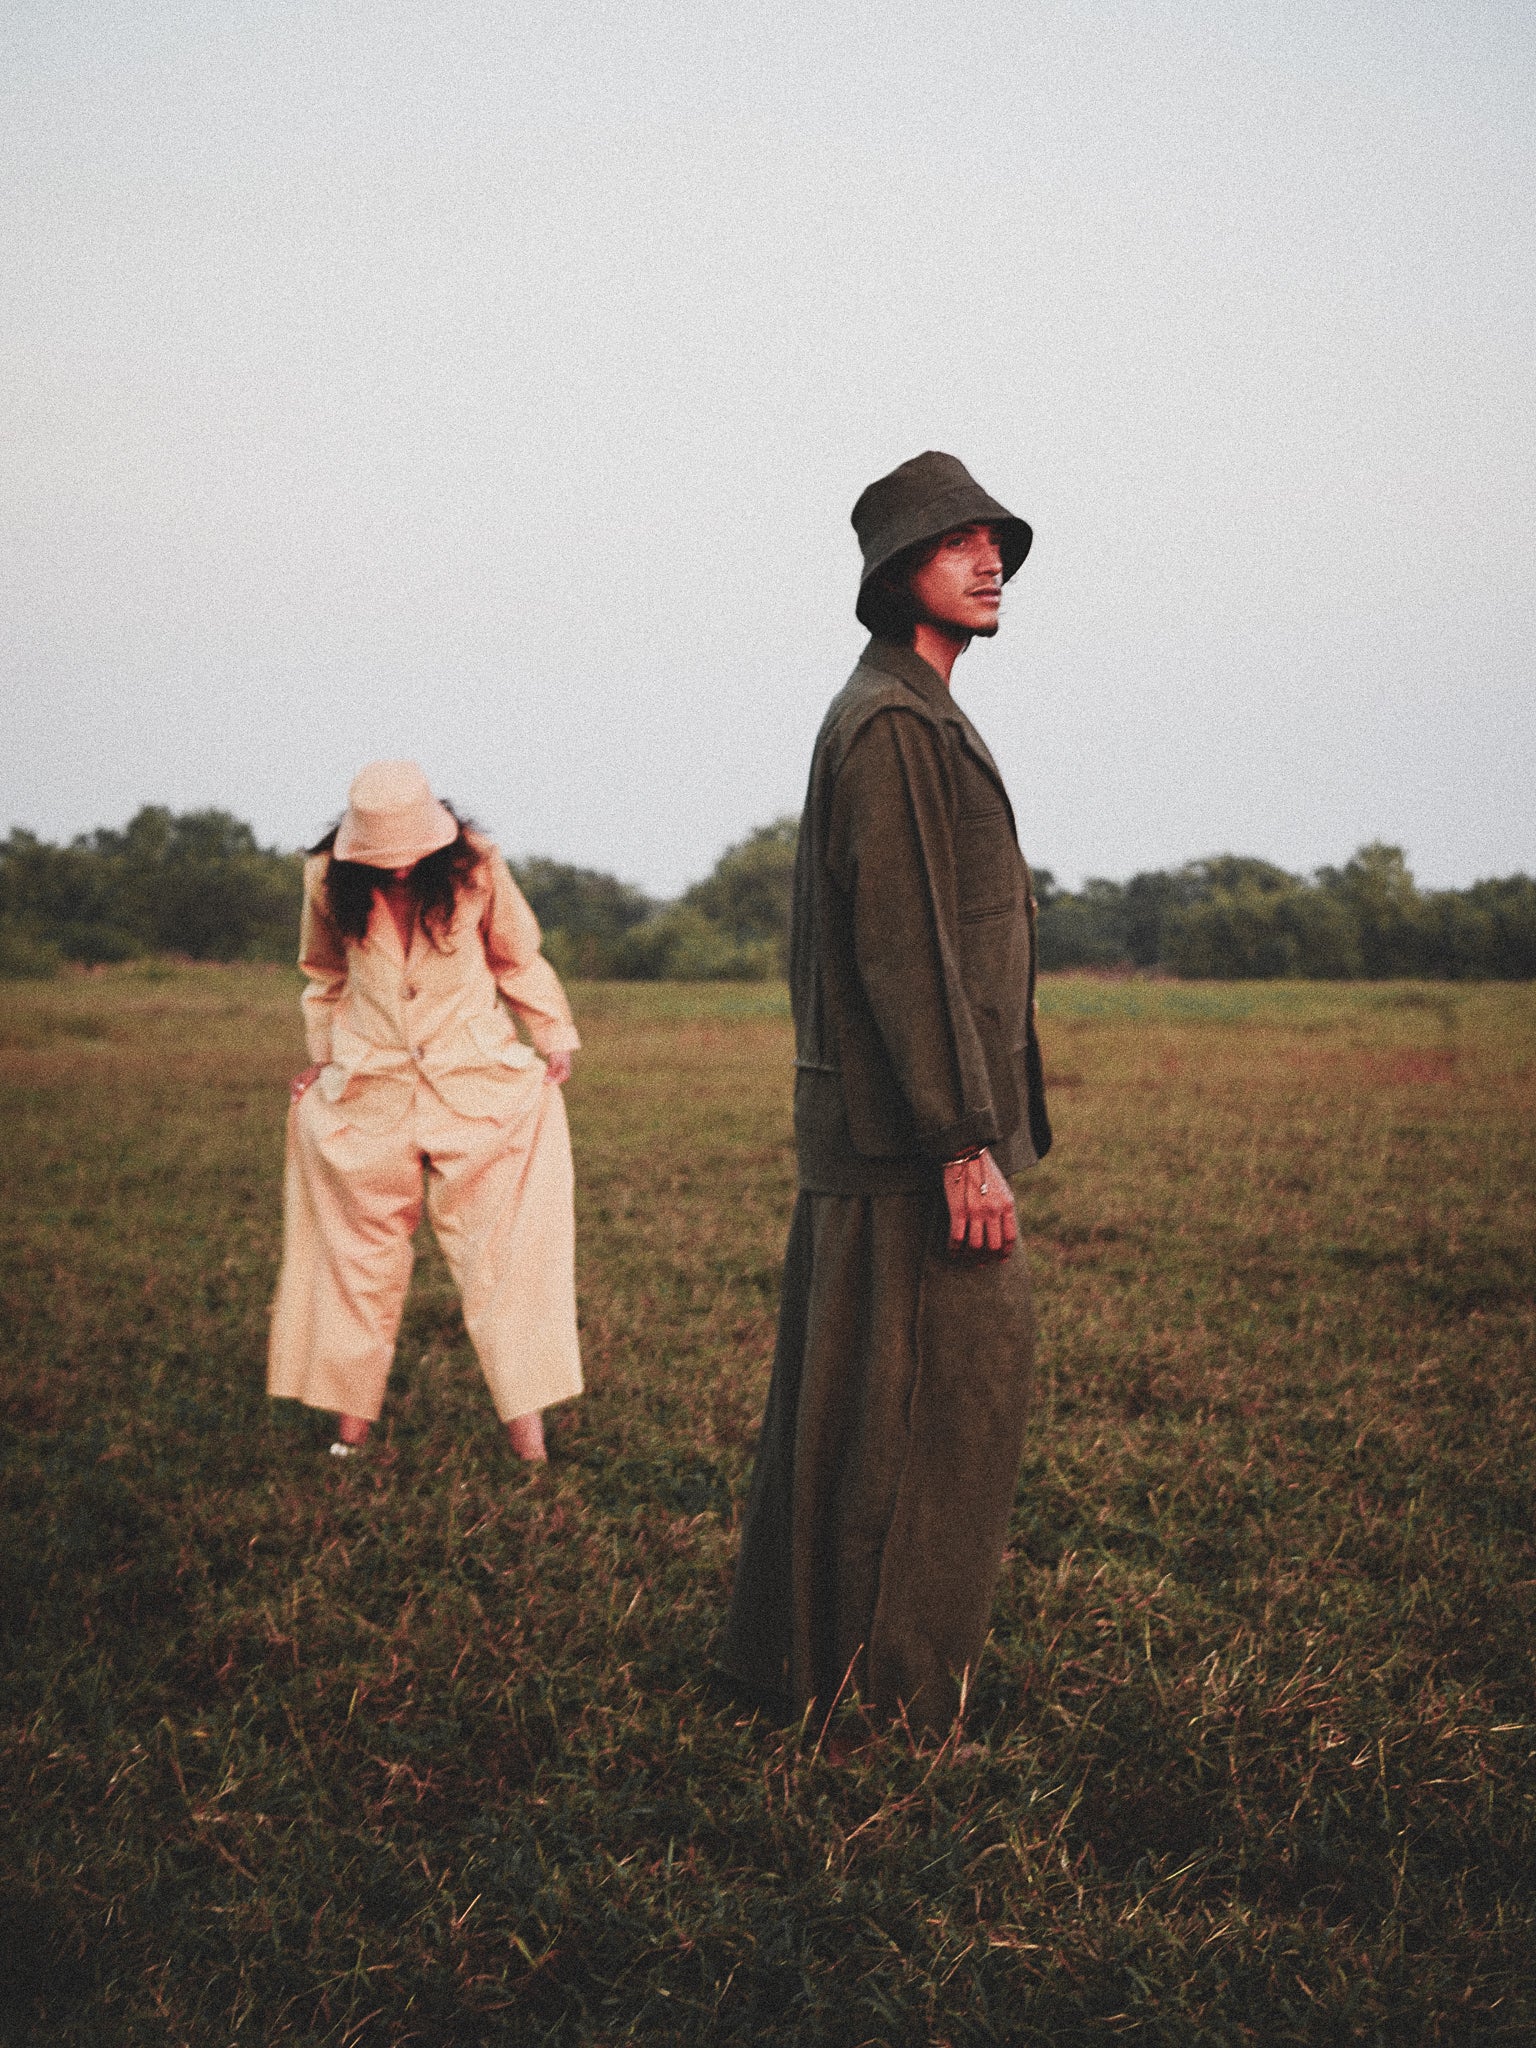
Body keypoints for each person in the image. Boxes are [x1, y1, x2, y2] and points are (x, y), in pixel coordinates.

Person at [719, 451, 1052, 1740]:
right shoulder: (897, 720)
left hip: (880, 1126)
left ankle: (796, 1665)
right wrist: (966, 1144)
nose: (987, 561)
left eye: (994, 541)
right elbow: (906, 945)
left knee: (850, 1409)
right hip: (919, 1140)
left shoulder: (896, 711)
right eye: (954, 541)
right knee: (944, 1409)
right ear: (893, 572)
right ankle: (901, 1699)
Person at [267, 759, 582, 1463]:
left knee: (505, 1259)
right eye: (384, 860)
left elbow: (518, 958)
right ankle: (349, 1440)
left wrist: (552, 1035)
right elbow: (323, 974)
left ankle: (530, 1449)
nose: (400, 870)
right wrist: (322, 1059)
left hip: (479, 1087)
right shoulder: (327, 878)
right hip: (369, 1088)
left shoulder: (476, 867)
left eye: (411, 857)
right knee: (354, 1260)